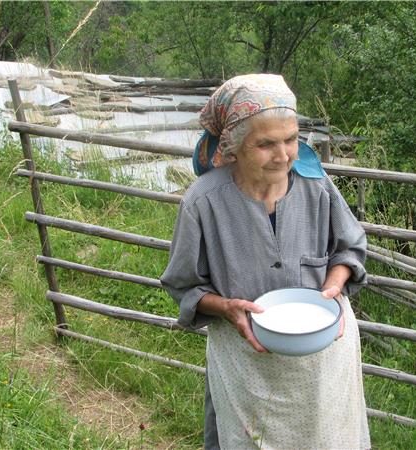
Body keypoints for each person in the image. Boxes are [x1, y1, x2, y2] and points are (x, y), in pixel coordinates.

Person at [161, 74, 371, 449]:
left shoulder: (317, 186)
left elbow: (349, 249)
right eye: (266, 144)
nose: (283, 155)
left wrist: (335, 285)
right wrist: (225, 307)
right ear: (233, 146)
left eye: (291, 139)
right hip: (246, 363)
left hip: (322, 360)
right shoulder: (203, 202)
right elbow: (184, 285)